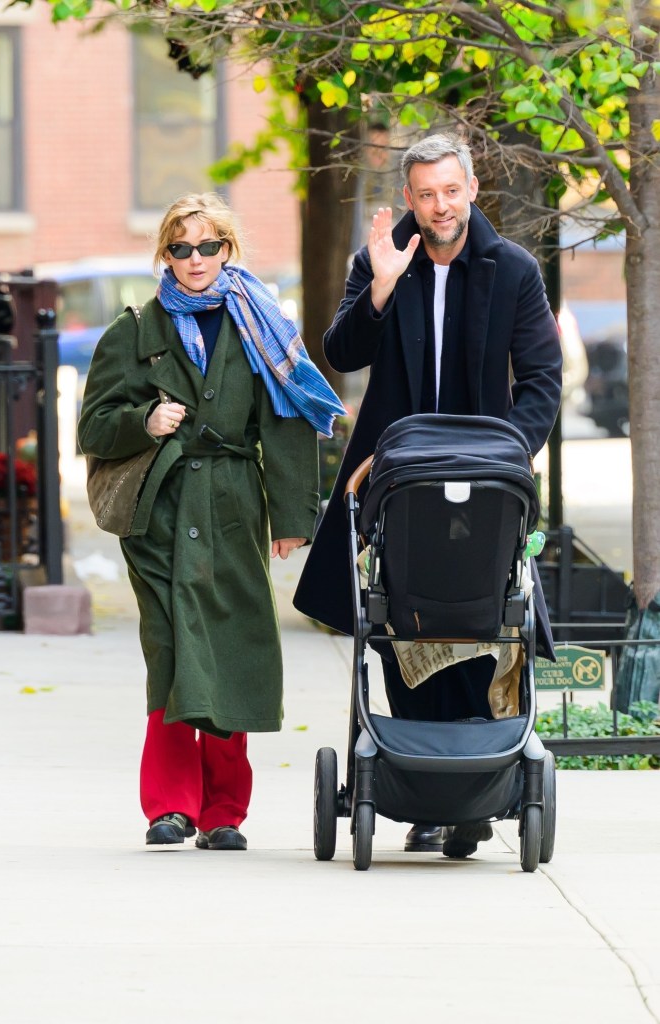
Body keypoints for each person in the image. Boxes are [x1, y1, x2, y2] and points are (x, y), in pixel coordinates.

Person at [294, 131, 562, 858]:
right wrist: (379, 289)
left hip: (484, 483)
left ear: (470, 189)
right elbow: (341, 352)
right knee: (398, 619)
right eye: (424, 194)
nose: (439, 206)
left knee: (476, 621)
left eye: (450, 190)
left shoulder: (513, 270)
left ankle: (469, 794)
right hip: (397, 480)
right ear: (408, 198)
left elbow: (541, 380)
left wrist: (506, 457)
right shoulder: (382, 259)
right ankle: (421, 789)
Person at [78, 192, 344, 850]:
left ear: (228, 249)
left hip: (233, 505)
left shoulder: (260, 325)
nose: (194, 259)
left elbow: (287, 422)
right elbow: (92, 428)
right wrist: (143, 421)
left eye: (207, 246)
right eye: (180, 247)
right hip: (158, 511)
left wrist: (291, 516)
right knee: (170, 650)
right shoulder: (132, 332)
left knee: (232, 647)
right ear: (164, 254)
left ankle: (224, 813)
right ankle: (169, 808)